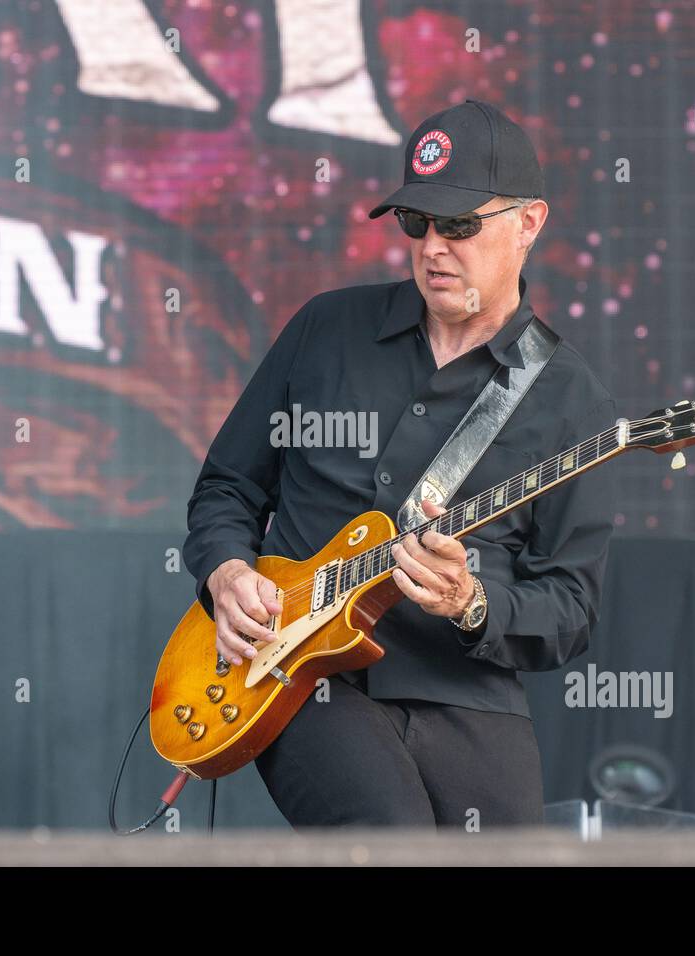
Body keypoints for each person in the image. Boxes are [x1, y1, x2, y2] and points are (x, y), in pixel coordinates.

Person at [183, 99, 617, 829]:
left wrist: (470, 603)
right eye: (416, 223)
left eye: (458, 225)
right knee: (391, 842)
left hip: (465, 690)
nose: (432, 249)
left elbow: (570, 608)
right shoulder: (326, 329)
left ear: (529, 222)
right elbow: (227, 488)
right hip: (305, 671)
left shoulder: (570, 397)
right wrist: (227, 572)